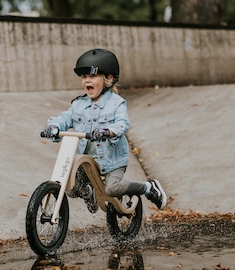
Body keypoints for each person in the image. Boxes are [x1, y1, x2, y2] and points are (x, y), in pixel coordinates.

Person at [43, 48, 167, 213]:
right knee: (70, 188)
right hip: (88, 161)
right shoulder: (78, 104)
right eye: (84, 77)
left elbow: (122, 124)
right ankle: (89, 192)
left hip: (112, 160)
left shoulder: (116, 103)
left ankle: (148, 187)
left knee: (112, 189)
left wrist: (108, 131)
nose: (87, 80)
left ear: (108, 78)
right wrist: (54, 126)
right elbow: (65, 117)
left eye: (93, 76)